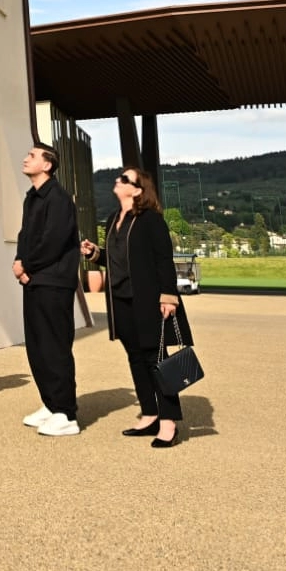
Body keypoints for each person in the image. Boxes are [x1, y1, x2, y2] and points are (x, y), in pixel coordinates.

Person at [82, 167, 190, 447]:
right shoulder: (114, 219)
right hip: (120, 300)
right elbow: (117, 259)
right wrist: (96, 254)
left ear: (138, 190)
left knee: (157, 358)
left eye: (124, 179)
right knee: (135, 357)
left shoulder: (151, 220)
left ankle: (168, 422)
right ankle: (150, 413)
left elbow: (163, 258)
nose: (117, 181)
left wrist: (168, 295)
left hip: (148, 298)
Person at [14, 144, 80, 436]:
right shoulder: (32, 197)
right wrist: (20, 262)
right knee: (38, 347)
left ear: (48, 165)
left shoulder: (59, 199)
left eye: (32, 156)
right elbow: (25, 235)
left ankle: (66, 413)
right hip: (35, 281)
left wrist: (26, 264)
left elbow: (53, 241)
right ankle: (51, 404)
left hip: (54, 283)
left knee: (55, 348)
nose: (25, 159)